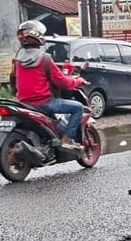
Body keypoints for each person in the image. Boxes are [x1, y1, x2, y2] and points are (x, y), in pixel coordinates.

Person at [10, 20, 85, 150]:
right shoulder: (45, 58)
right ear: (38, 36)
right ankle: (67, 140)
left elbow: (14, 79)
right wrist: (78, 81)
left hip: (23, 103)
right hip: (43, 103)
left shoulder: (17, 59)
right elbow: (63, 82)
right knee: (78, 107)